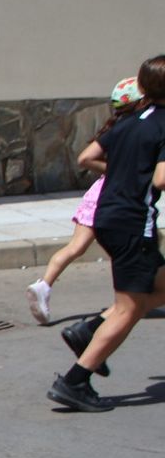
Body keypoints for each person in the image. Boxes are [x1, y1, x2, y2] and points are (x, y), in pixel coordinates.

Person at [48, 54, 165, 412]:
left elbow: (89, 154)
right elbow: (161, 179)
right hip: (133, 224)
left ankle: (89, 330)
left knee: (161, 288)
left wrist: (127, 170)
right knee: (129, 309)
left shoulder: (128, 120)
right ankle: (75, 381)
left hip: (107, 217)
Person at [26, 76, 146, 325]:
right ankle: (126, 301)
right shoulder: (134, 131)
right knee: (128, 251)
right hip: (114, 198)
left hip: (97, 195)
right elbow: (89, 159)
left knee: (75, 247)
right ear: (140, 104)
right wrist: (120, 171)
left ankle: (43, 285)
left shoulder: (115, 129)